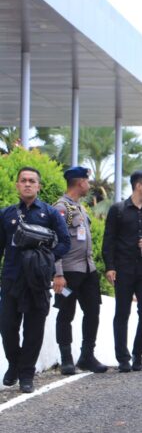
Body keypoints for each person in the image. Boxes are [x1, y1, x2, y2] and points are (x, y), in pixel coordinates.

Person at [1, 167, 70, 393]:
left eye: (32, 181)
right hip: (11, 279)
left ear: (38, 186)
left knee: (34, 329)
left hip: (37, 283)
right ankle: (14, 363)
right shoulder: (7, 214)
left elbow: (65, 242)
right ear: (17, 185)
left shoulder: (50, 214)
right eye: (23, 180)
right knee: (7, 327)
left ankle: (27, 373)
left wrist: (47, 260)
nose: (28, 184)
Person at [103, 170, 142, 372]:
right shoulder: (118, 209)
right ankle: (123, 358)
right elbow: (109, 240)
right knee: (121, 313)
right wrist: (110, 267)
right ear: (139, 186)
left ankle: (138, 354)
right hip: (123, 269)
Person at [52, 166, 108, 375]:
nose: (89, 185)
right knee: (66, 313)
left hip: (87, 271)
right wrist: (58, 274)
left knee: (93, 311)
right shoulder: (61, 208)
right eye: (87, 181)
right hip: (68, 272)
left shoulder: (81, 208)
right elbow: (55, 241)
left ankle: (87, 356)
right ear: (79, 182)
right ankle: (66, 358)